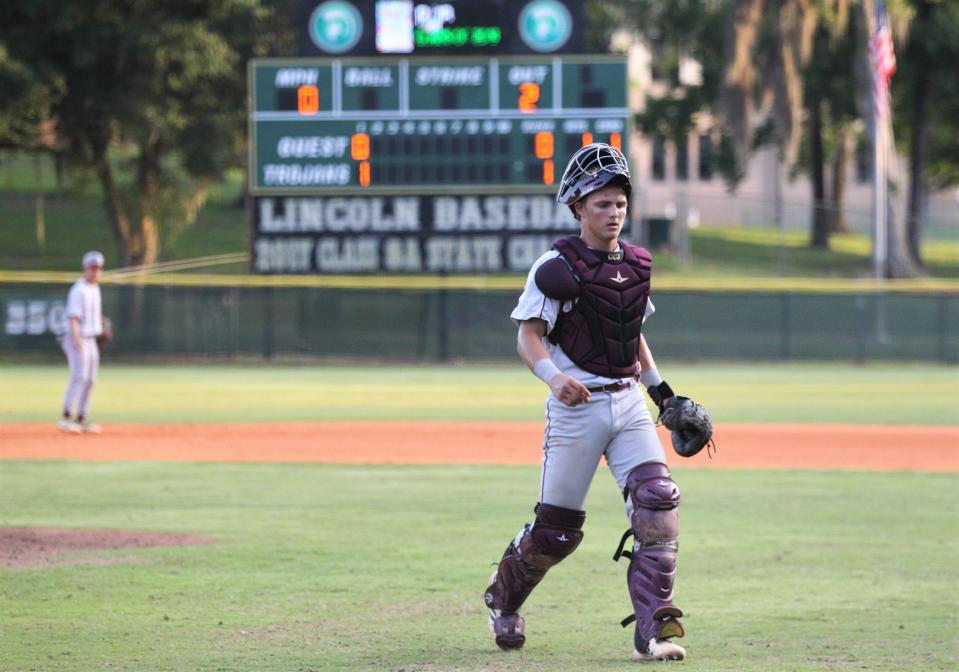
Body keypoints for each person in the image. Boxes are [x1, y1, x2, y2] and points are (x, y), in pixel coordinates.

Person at [484, 143, 688, 661]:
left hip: (627, 402)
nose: (614, 212)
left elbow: (631, 336)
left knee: (658, 504)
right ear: (578, 207)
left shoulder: (637, 265)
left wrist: (663, 394)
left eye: (620, 202)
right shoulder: (555, 268)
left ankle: (653, 631)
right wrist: (553, 378)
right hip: (577, 407)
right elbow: (528, 338)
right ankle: (502, 601)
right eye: (602, 203)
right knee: (555, 535)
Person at [57, 250, 106, 435]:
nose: (95, 271)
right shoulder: (79, 289)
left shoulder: (95, 289)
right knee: (79, 376)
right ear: (85, 269)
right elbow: (73, 317)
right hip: (76, 337)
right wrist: (76, 339)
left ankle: (82, 419)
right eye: (92, 268)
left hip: (91, 338)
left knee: (91, 379)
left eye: (98, 268)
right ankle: (65, 418)